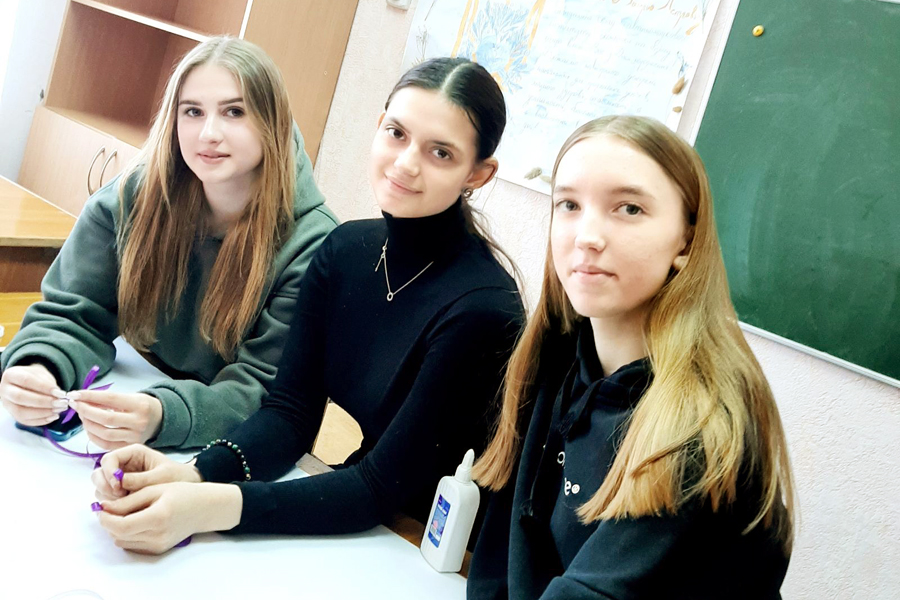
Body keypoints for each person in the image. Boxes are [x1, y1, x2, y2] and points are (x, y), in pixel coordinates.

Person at [89, 57, 525, 554]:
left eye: (440, 152)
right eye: (396, 133)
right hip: (358, 515)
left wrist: (207, 507)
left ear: (479, 174)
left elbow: (379, 489)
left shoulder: (483, 311)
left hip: (432, 548)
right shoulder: (345, 250)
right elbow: (290, 415)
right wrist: (192, 474)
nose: (406, 163)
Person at [466, 116, 796, 599]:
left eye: (629, 208)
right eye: (569, 204)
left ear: (685, 241)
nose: (587, 236)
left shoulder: (700, 422)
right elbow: (500, 563)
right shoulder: (555, 356)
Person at [0, 37, 338, 449]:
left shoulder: (314, 245)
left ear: (274, 122)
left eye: (234, 112)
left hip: (223, 447)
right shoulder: (131, 196)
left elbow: (265, 392)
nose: (208, 134)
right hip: (131, 394)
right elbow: (73, 313)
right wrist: (39, 365)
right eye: (192, 111)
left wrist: (163, 414)